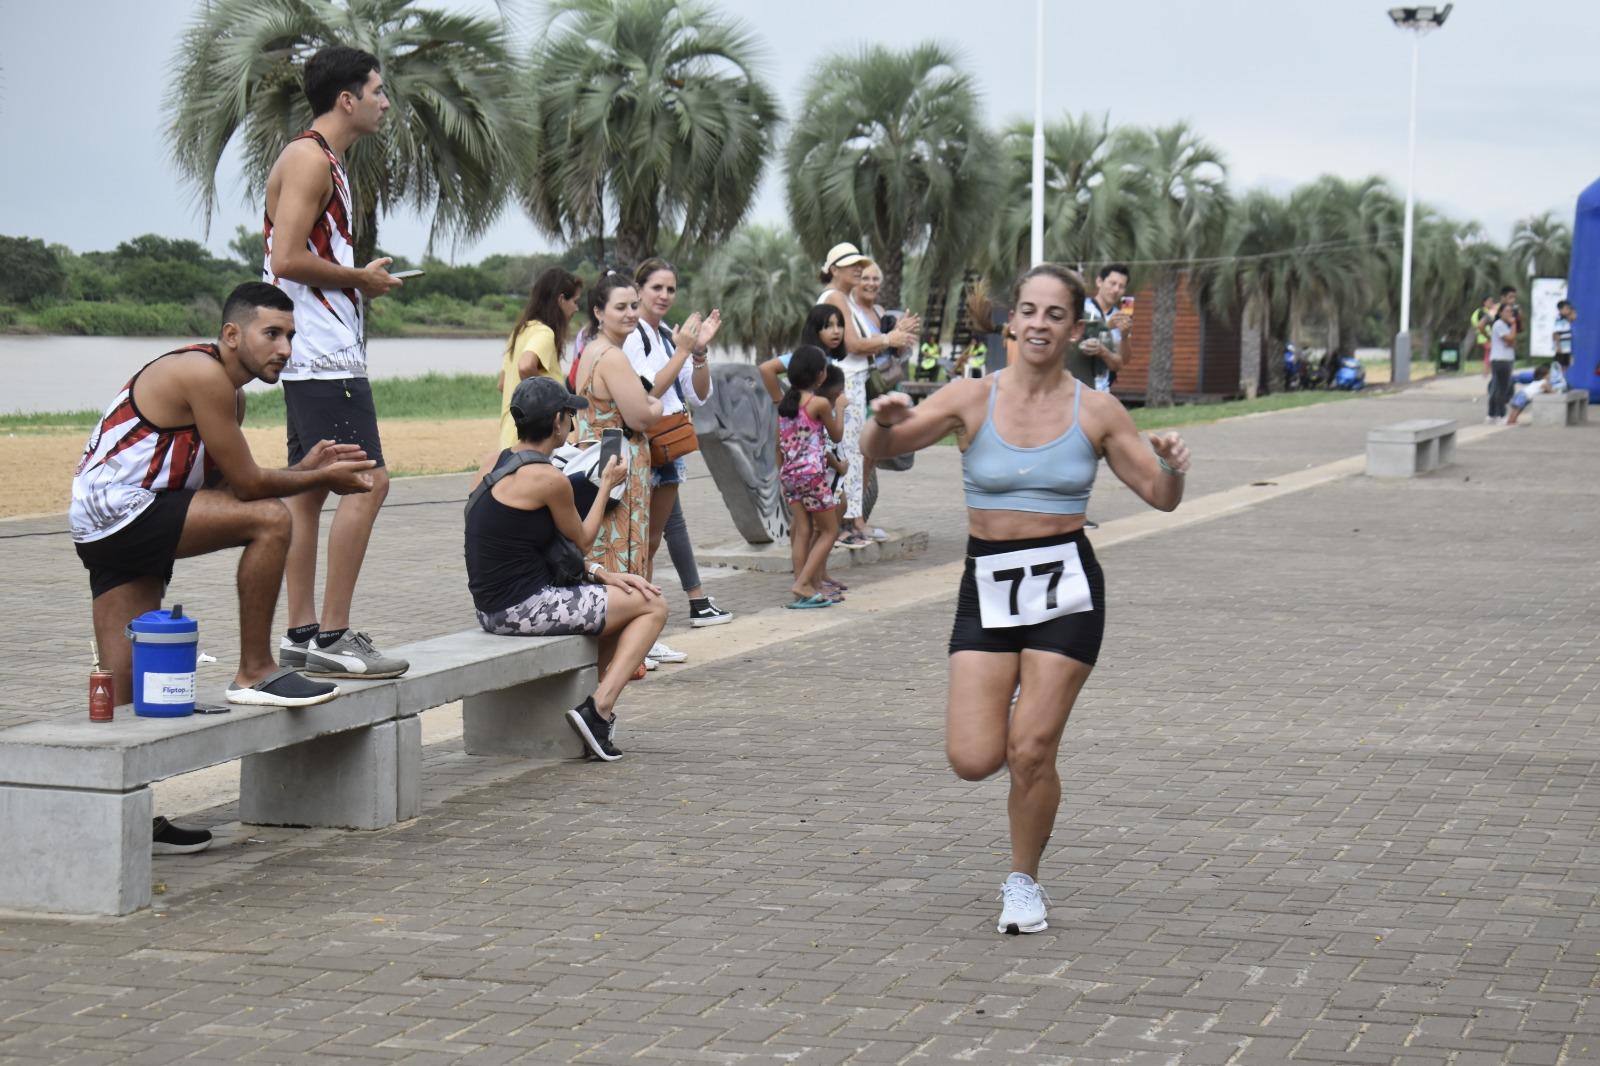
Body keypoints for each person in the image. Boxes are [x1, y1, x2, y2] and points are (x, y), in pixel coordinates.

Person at [860, 263, 1191, 936]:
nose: (1039, 324)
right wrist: (881, 424)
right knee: (974, 758)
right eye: (1029, 311)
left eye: (1055, 314)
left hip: (1066, 584)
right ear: (1010, 321)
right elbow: (878, 449)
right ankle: (1014, 706)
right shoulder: (969, 397)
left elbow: (1158, 495)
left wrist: (1175, 468)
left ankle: (1023, 883)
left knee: (1032, 750)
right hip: (988, 583)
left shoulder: (1096, 409)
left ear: (1074, 328)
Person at [71, 283, 378, 852]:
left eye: (291, 335)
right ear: (232, 335)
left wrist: (304, 467)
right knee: (270, 519)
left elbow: (215, 484)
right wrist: (317, 476)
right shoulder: (203, 374)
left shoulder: (229, 395)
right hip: (121, 511)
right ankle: (255, 671)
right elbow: (249, 488)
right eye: (272, 334)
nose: (285, 348)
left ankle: (116, 818)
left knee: (124, 687)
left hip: (110, 527)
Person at [263, 45, 408, 680]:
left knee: (309, 489)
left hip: (322, 354)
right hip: (323, 358)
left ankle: (301, 635)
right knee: (368, 482)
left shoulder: (328, 161)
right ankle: (332, 635)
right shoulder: (308, 158)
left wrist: (354, 281)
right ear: (346, 99)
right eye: (377, 90)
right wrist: (359, 279)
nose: (385, 101)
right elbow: (285, 258)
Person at [467, 376, 666, 761]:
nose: (573, 424)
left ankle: (588, 704)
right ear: (559, 421)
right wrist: (607, 483)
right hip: (521, 608)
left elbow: (525, 543)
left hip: (491, 605)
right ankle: (598, 712)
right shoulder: (548, 479)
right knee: (652, 605)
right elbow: (581, 540)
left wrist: (599, 574)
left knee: (620, 605)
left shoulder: (494, 462)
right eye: (570, 416)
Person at [623, 257, 734, 658]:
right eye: (657, 288)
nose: (665, 296)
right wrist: (685, 349)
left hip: (669, 445)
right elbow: (647, 389)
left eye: (671, 289)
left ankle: (642, 632)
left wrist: (698, 353)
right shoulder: (636, 336)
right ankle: (638, 632)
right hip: (644, 445)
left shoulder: (668, 337)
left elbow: (699, 393)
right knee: (642, 544)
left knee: (649, 543)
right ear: (638, 290)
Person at [817, 243, 919, 549]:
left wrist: (893, 337)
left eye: (860, 263)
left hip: (853, 382)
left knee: (855, 451)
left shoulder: (843, 299)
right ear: (834, 269)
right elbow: (851, 344)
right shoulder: (834, 297)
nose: (859, 269)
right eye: (851, 264)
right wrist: (890, 337)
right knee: (846, 452)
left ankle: (850, 520)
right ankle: (841, 524)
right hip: (843, 382)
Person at [570, 273, 663, 587]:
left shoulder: (591, 351)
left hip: (596, 464)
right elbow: (640, 418)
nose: (631, 314)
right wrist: (657, 406)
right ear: (599, 312)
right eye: (620, 307)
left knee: (601, 549)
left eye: (634, 306)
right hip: (618, 468)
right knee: (622, 551)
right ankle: (630, 627)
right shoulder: (613, 357)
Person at [776, 347, 846, 609]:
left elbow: (778, 442)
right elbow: (836, 435)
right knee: (829, 530)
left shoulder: (786, 404)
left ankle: (802, 590)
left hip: (790, 475)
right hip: (812, 476)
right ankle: (803, 583)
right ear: (819, 375)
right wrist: (838, 407)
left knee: (803, 529)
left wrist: (780, 474)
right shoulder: (818, 403)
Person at [498, 268, 582, 448]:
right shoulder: (544, 333)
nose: (576, 308)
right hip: (534, 442)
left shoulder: (520, 331)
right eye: (575, 301)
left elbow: (502, 384)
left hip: (510, 437)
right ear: (561, 300)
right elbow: (526, 366)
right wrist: (547, 402)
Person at [1075, 264, 1133, 392]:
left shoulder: (1121, 316)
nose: (1116, 289)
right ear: (1099, 282)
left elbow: (1123, 361)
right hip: (1078, 384)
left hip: (1103, 389)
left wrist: (1124, 336)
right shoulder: (1081, 308)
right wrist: (1106, 327)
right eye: (1112, 283)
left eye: (1121, 286)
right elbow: (1074, 343)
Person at [1487, 301, 1519, 423]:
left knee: (1498, 388)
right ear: (1500, 313)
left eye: (1511, 311)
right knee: (1501, 389)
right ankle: (1500, 414)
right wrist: (1514, 324)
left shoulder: (1506, 326)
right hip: (1501, 360)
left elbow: (1512, 342)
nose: (1510, 314)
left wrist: (1512, 333)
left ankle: (1492, 414)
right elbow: (1510, 339)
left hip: (1506, 359)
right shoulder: (1499, 325)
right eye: (1507, 311)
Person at [1470, 294, 1499, 376]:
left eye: (1492, 301)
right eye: (1489, 301)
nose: (1491, 303)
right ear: (1484, 302)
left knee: (1489, 352)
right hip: (1484, 336)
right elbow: (1475, 321)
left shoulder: (1491, 311)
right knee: (1489, 352)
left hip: (1489, 336)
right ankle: (1486, 371)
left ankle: (1487, 371)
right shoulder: (1481, 311)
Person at [1554, 300, 1577, 365]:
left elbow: (1574, 317)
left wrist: (1572, 310)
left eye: (1568, 308)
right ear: (1561, 310)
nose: (1568, 310)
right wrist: (1558, 347)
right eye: (1566, 308)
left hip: (1567, 349)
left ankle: (1564, 374)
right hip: (1562, 349)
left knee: (1567, 365)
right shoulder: (1559, 320)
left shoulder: (1566, 320)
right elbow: (1556, 334)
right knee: (1561, 366)